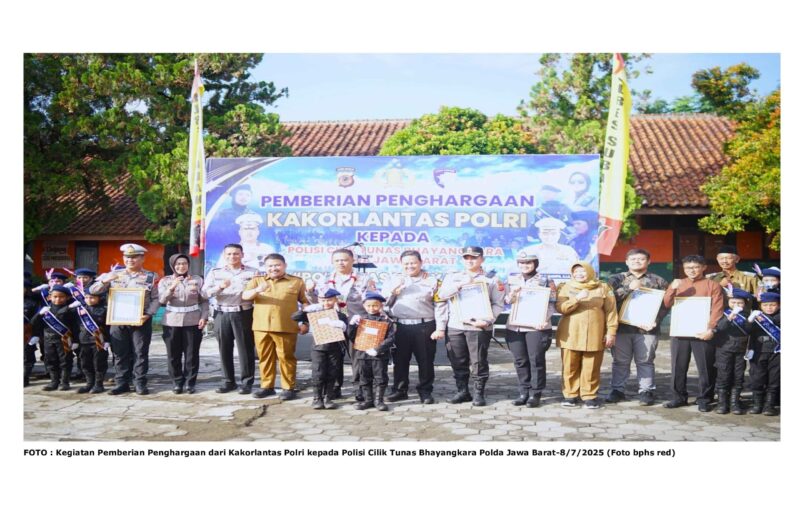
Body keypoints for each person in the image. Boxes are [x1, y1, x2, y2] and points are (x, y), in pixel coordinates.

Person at [437, 246, 505, 407]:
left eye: (473, 257)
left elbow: (498, 304)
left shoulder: (492, 279)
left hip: (479, 326)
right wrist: (460, 284)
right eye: (466, 258)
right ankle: (462, 391)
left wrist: (488, 321)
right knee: (457, 360)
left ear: (482, 259)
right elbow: (441, 295)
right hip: (456, 325)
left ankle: (478, 393)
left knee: (478, 361)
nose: (470, 261)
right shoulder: (453, 276)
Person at [89, 244, 160, 395]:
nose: (130, 260)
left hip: (141, 320)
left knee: (140, 352)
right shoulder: (114, 274)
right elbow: (92, 291)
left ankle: (139, 383)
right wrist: (105, 280)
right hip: (117, 320)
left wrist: (148, 314)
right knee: (120, 353)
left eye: (134, 257)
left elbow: (156, 299)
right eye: (127, 257)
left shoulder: (150, 276)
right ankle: (121, 382)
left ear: (142, 258)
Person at [306, 248, 375, 400]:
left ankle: (359, 388)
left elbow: (371, 301)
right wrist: (310, 291)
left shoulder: (364, 279)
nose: (341, 263)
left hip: (356, 322)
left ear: (352, 261)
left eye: (344, 260)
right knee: (333, 356)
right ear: (332, 262)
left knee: (357, 357)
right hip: (331, 321)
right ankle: (334, 388)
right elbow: (317, 301)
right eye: (337, 260)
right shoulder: (325, 279)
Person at [381, 250, 447, 404]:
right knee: (400, 360)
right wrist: (393, 293)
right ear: (401, 264)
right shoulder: (393, 280)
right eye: (406, 263)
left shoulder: (432, 281)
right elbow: (382, 304)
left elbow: (440, 305)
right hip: (400, 326)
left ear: (421, 263)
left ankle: (425, 391)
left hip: (424, 326)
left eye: (413, 263)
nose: (409, 266)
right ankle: (399, 390)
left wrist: (441, 327)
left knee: (425, 361)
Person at [605, 248, 669, 406]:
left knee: (646, 361)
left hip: (647, 329)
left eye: (641, 259)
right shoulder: (616, 279)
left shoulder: (658, 281)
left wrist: (657, 320)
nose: (637, 262)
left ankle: (646, 390)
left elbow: (666, 304)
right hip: (621, 329)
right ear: (627, 262)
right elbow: (608, 301)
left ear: (648, 261)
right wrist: (628, 288)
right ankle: (617, 390)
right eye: (633, 259)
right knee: (620, 361)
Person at [243, 253, 309, 400]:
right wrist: (257, 290)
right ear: (265, 267)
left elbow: (305, 302)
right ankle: (267, 386)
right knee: (264, 358)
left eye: (277, 265)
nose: (274, 268)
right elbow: (245, 296)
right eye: (270, 266)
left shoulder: (296, 282)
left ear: (284, 266)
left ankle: (288, 388)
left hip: (285, 326)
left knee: (286, 357)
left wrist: (305, 322)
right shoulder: (257, 280)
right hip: (261, 326)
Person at [662, 255, 724, 412]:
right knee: (678, 366)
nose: (692, 270)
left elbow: (717, 309)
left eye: (695, 267)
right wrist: (672, 288)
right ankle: (678, 397)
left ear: (703, 267)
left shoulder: (712, 285)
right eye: (688, 268)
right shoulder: (678, 283)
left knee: (706, 366)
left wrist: (711, 329)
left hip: (702, 332)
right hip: (680, 331)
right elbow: (667, 303)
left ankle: (705, 398)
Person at [555, 261, 618, 409]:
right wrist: (576, 299)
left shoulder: (603, 287)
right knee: (570, 366)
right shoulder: (565, 287)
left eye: (583, 271)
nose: (579, 274)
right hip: (571, 333)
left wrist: (611, 332)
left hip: (595, 333)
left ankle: (589, 396)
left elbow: (611, 311)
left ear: (590, 272)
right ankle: (570, 395)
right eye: (576, 272)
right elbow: (561, 308)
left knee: (592, 366)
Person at [202, 243, 258, 394]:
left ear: (242, 255)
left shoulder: (253, 273)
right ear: (224, 255)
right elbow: (204, 294)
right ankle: (228, 381)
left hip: (244, 313)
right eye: (229, 254)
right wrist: (219, 287)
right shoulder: (215, 273)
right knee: (224, 349)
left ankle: (247, 382)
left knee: (245, 349)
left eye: (236, 254)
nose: (232, 257)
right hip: (222, 314)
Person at [504, 251, 556, 408]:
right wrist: (513, 293)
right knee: (520, 360)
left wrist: (543, 319)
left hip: (537, 326)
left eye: (528, 263)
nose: (524, 266)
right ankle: (523, 392)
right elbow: (507, 301)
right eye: (521, 263)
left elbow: (552, 303)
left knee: (536, 360)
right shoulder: (512, 279)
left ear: (535, 264)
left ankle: (536, 393)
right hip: (515, 326)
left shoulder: (546, 280)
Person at [158, 253, 209, 394]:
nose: (181, 266)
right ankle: (177, 382)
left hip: (193, 320)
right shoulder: (165, 281)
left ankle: (190, 382)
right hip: (171, 321)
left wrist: (204, 316)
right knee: (173, 354)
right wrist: (172, 287)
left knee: (191, 353)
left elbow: (204, 300)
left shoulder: (197, 280)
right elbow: (162, 300)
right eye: (178, 264)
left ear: (188, 265)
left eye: (184, 264)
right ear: (173, 266)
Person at [291, 289, 347, 409]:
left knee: (332, 372)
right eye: (323, 300)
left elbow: (347, 330)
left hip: (335, 347)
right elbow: (294, 317)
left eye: (329, 300)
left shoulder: (340, 314)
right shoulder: (314, 313)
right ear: (319, 300)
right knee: (318, 372)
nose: (326, 303)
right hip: (318, 348)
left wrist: (343, 326)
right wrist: (306, 310)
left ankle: (328, 398)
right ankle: (317, 398)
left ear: (335, 300)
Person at [348, 292, 396, 411]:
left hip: (379, 355)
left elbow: (391, 338)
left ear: (380, 306)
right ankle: (368, 400)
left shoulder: (386, 321)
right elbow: (351, 336)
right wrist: (352, 325)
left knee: (380, 378)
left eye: (375, 305)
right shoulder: (361, 320)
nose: (371, 308)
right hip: (362, 354)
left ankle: (378, 401)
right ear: (364, 306)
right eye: (368, 306)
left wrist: (377, 349)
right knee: (364, 377)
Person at [29, 286, 80, 391]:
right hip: (48, 340)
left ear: (67, 297)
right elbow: (33, 324)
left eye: (61, 297)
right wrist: (39, 314)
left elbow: (75, 326)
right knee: (51, 361)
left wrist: (76, 341)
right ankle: (54, 382)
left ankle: (65, 382)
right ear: (49, 297)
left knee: (65, 361)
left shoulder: (71, 310)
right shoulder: (46, 310)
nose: (58, 299)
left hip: (64, 340)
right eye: (55, 296)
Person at [712, 288, 753, 415]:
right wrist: (729, 317)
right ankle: (722, 403)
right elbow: (720, 328)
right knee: (723, 375)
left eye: (739, 303)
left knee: (738, 376)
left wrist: (750, 321)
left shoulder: (748, 315)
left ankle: (735, 402)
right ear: (728, 302)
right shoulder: (723, 313)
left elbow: (750, 331)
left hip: (741, 350)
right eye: (733, 302)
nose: (736, 305)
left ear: (745, 304)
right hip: (724, 349)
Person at [747, 291, 780, 415]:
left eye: (772, 305)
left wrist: (768, 320)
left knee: (774, 378)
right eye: (765, 305)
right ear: (761, 306)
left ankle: (769, 405)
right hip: (758, 351)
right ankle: (757, 404)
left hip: (776, 352)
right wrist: (750, 320)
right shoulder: (756, 317)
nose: (769, 308)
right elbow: (747, 331)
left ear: (779, 305)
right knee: (757, 378)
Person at [72, 292, 111, 394]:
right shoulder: (80, 309)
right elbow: (75, 327)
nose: (89, 300)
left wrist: (107, 340)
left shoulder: (104, 309)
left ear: (99, 298)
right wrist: (75, 340)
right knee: (85, 363)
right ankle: (89, 383)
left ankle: (99, 384)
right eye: (86, 297)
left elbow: (108, 327)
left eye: (92, 298)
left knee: (99, 363)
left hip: (98, 341)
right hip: (83, 341)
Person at [24, 279, 40, 387]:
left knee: (27, 357)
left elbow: (37, 320)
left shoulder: (32, 303)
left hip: (26, 334)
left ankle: (24, 378)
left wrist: (36, 335)